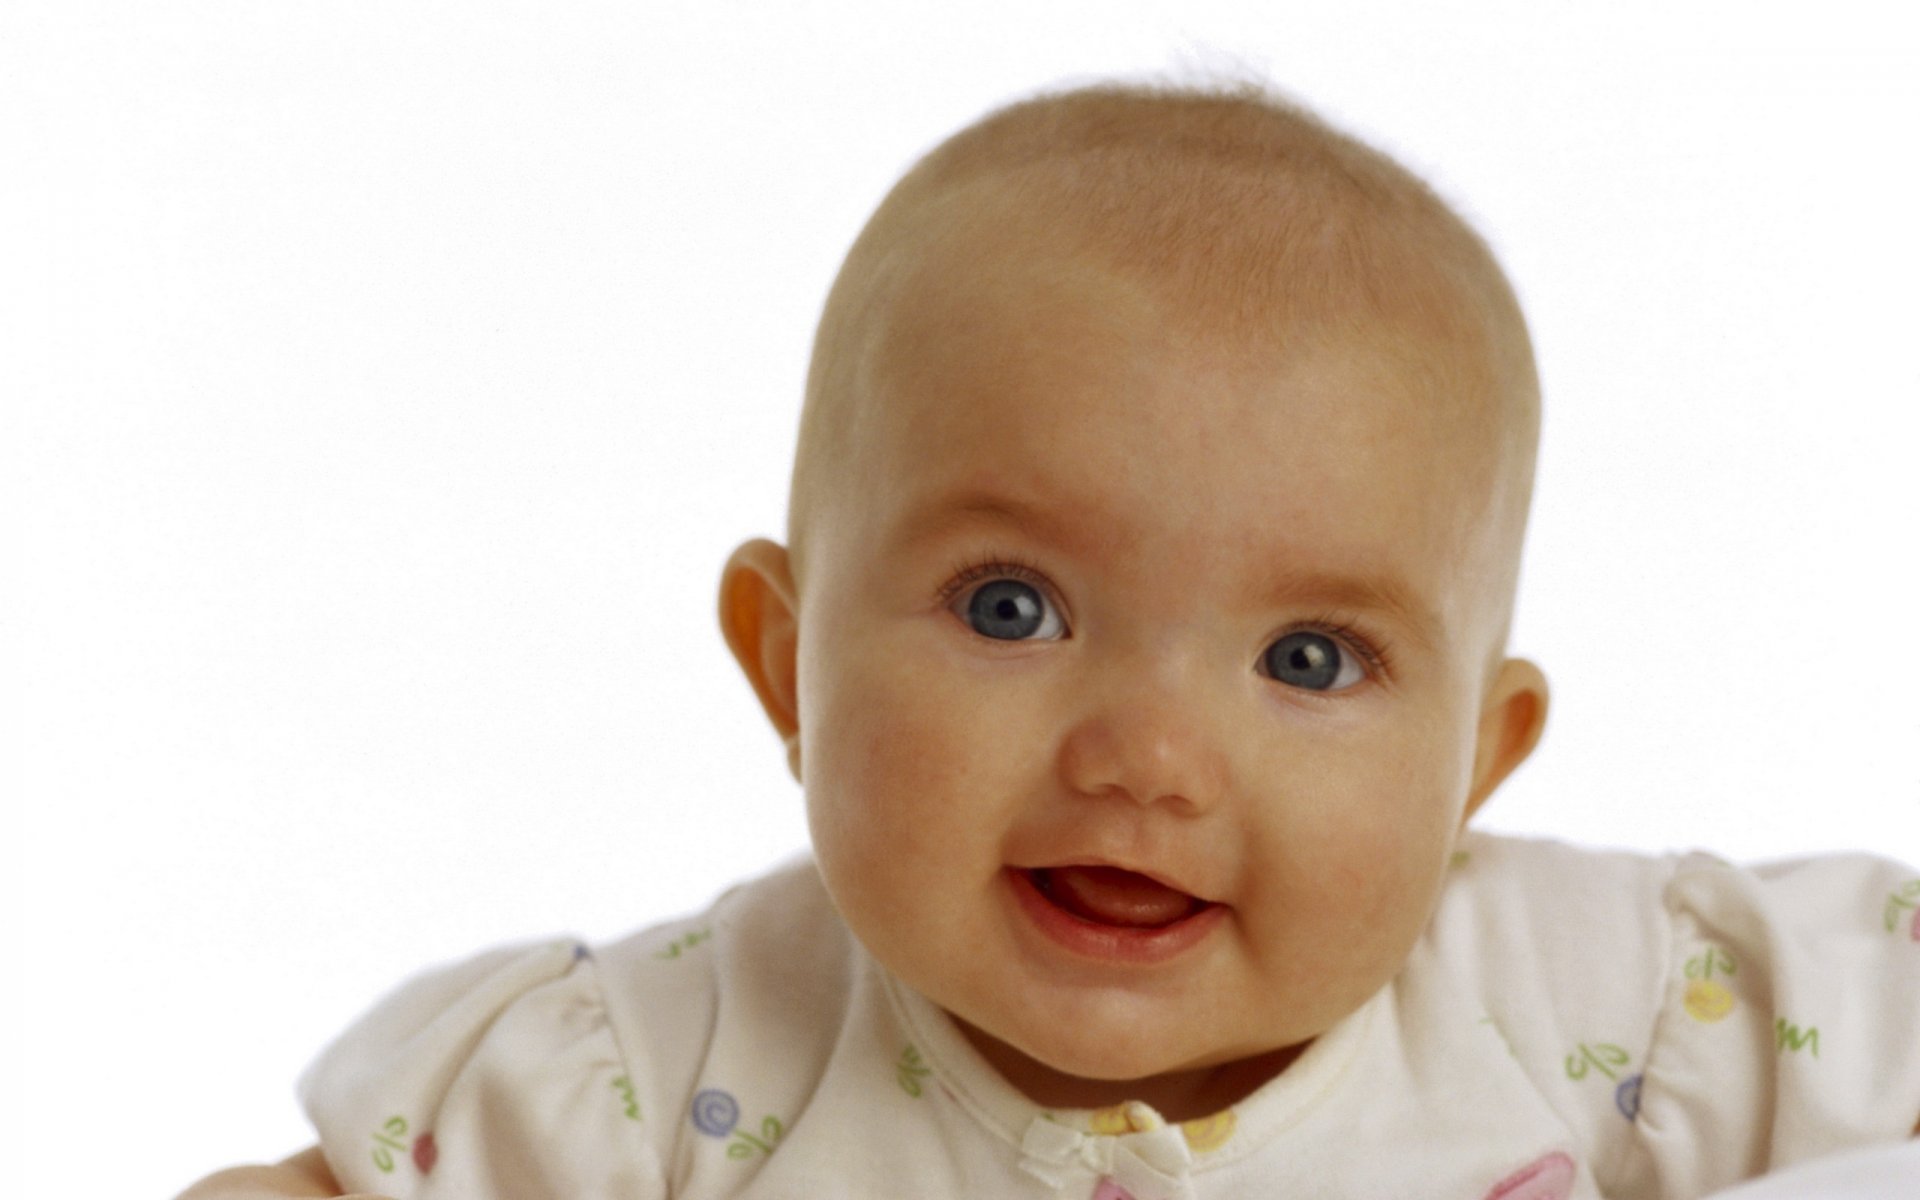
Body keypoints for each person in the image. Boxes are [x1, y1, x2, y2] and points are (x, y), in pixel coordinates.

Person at [178, 80, 1920, 1200]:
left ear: (1478, 760)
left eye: (1309, 660)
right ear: (786, 665)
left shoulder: (1604, 1000)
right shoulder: (662, 1077)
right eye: (1012, 609)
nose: (1147, 759)